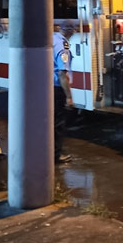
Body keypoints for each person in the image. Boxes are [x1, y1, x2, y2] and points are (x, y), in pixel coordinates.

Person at [52, 21, 76, 163]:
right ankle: (55, 155)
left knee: (51, 121)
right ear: (70, 31)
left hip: (48, 87)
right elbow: (62, 74)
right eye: (73, 31)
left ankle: (50, 152)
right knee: (58, 124)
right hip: (57, 88)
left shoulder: (54, 39)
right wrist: (69, 97)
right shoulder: (63, 48)